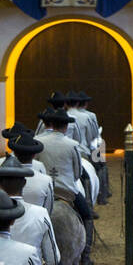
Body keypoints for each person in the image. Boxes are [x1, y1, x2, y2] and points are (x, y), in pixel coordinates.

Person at [36, 107, 94, 253]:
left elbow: (35, 166)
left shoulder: (38, 141)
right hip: (67, 191)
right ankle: (86, 252)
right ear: (66, 126)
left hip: (43, 190)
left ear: (50, 124)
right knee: (87, 215)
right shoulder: (72, 145)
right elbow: (77, 173)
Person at [0, 129, 54, 213]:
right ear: (34, 155)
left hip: (1, 218)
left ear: (15, 153)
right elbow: (48, 210)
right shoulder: (46, 180)